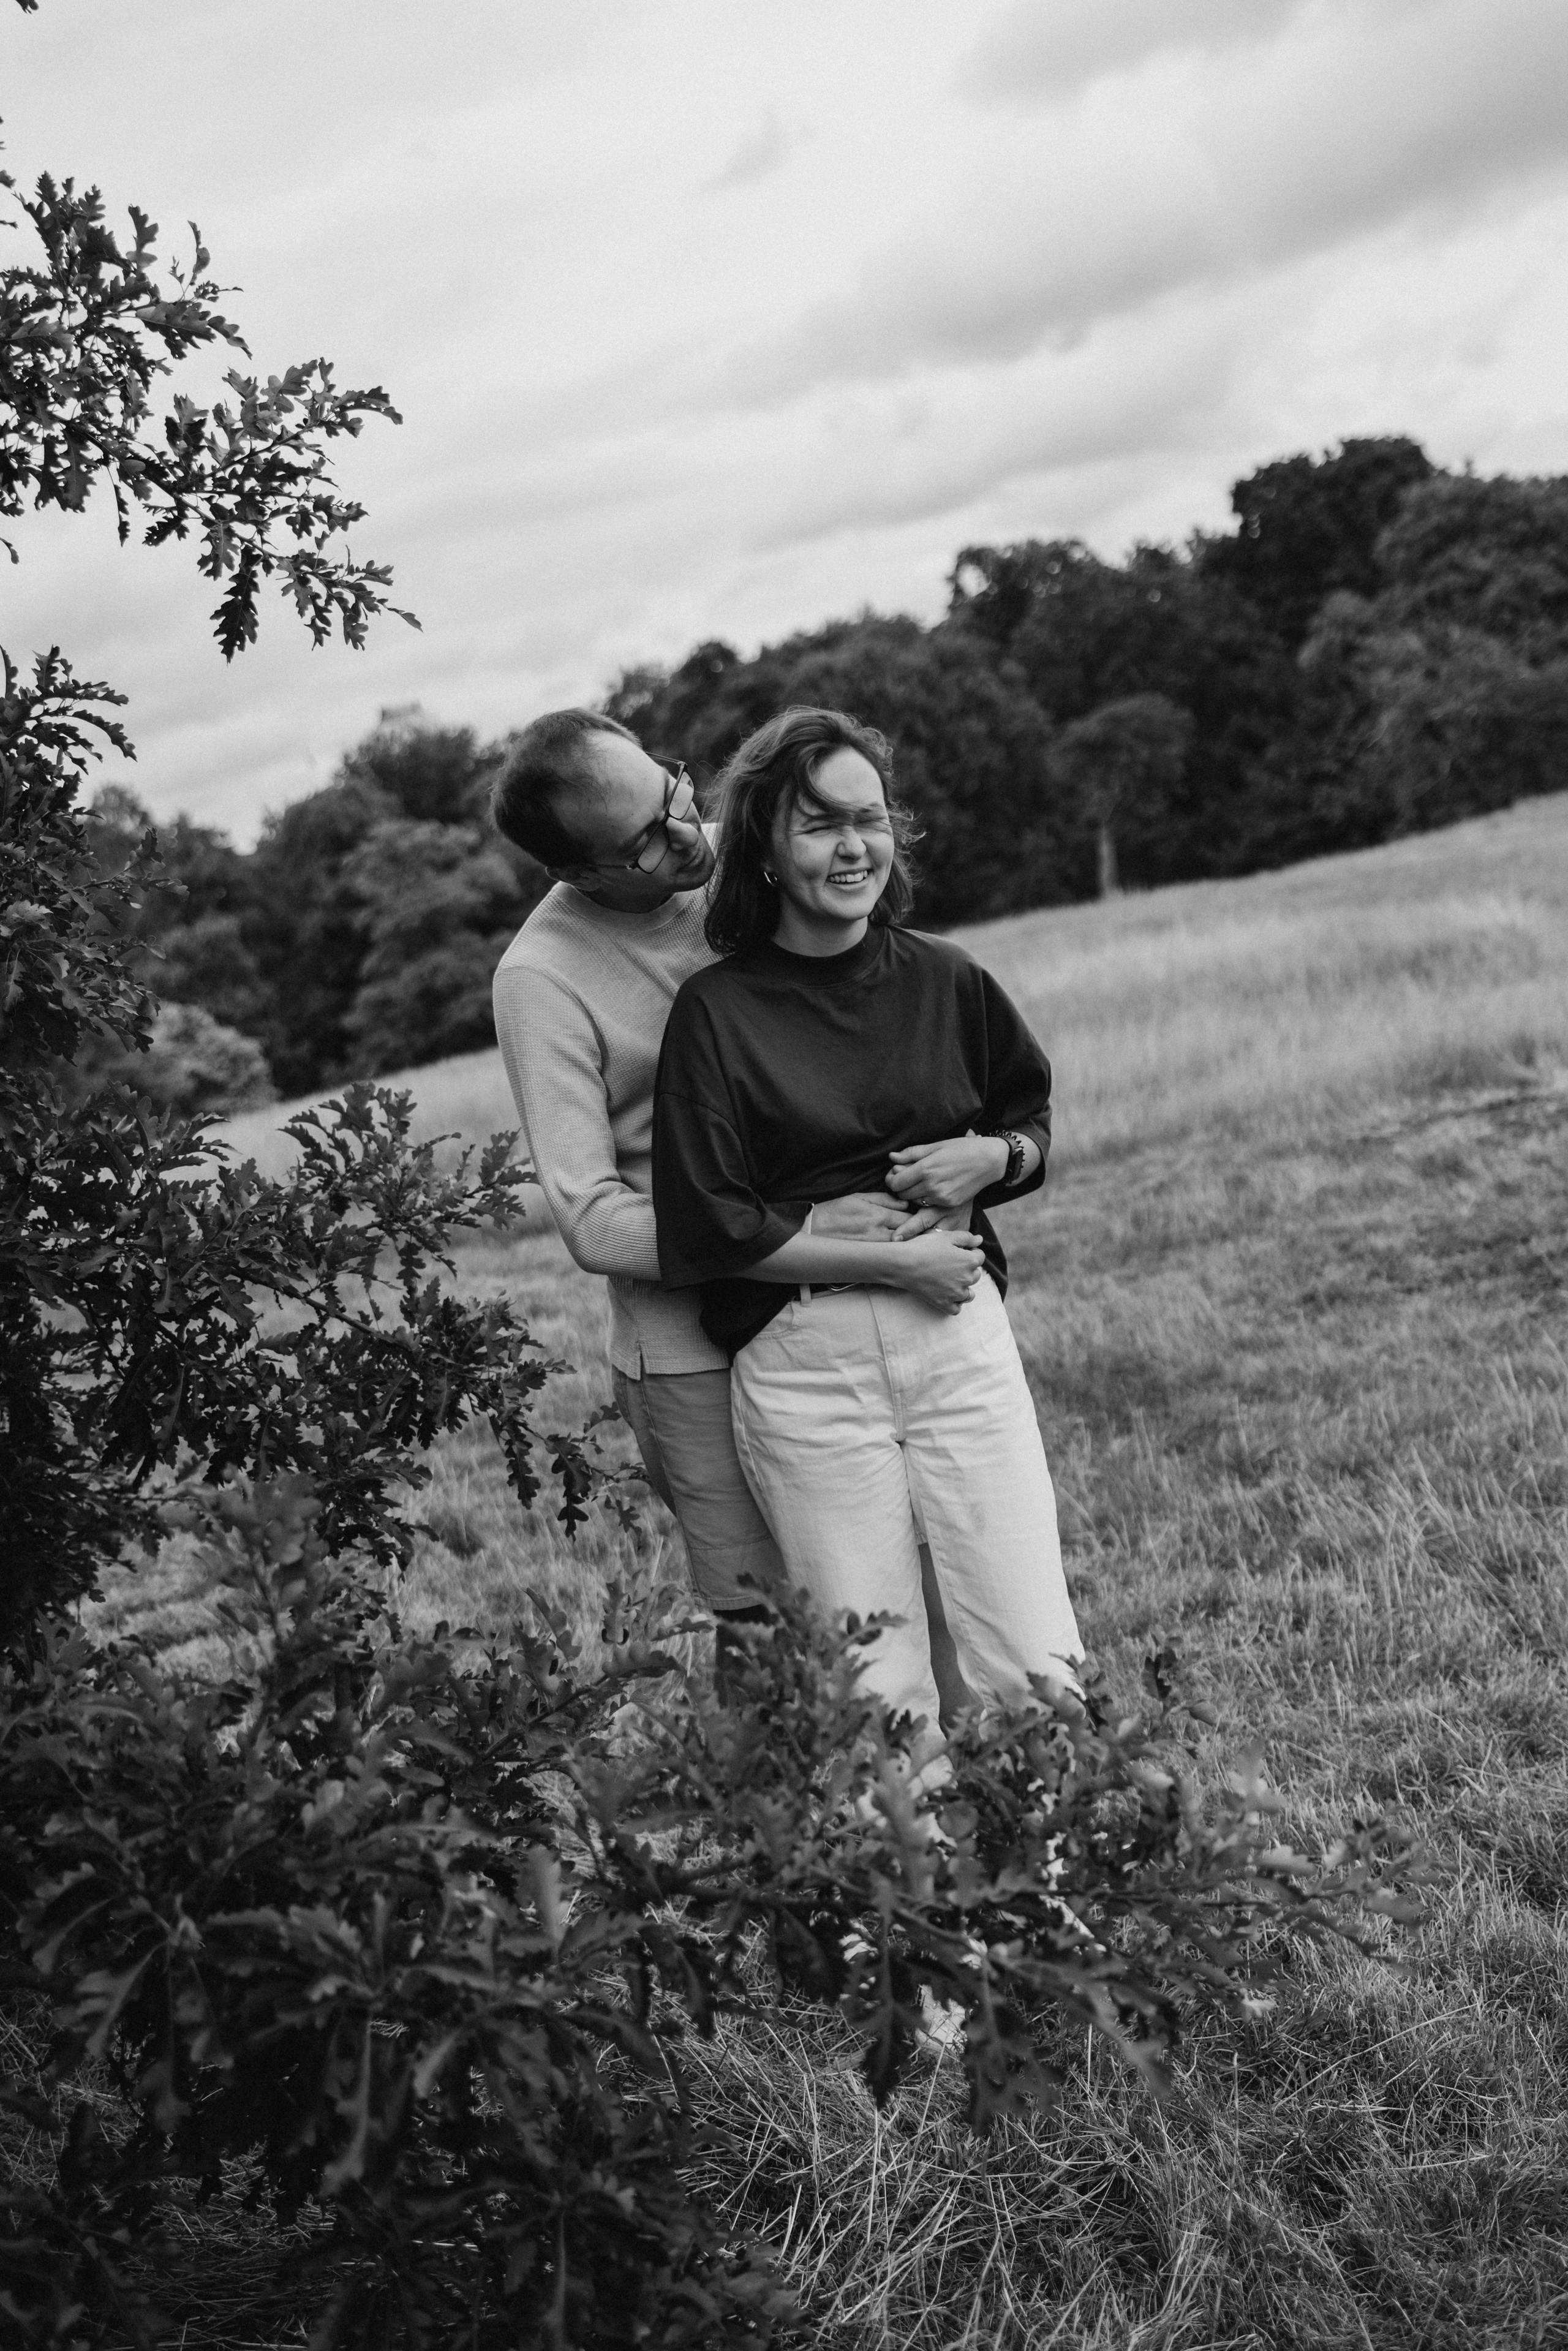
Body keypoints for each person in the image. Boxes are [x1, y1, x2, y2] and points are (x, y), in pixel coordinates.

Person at [651, 704, 1082, 1738]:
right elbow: (710, 1226)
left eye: (872, 818)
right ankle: (906, 1899)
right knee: (875, 1678)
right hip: (809, 1370)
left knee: (1035, 1650)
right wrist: (890, 1264)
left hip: (959, 1348)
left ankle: (1059, 1894)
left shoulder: (946, 977)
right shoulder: (718, 1013)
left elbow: (1029, 1119)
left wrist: (996, 1156)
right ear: (760, 846)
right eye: (819, 825)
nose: (855, 847)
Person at [489, 708, 941, 1628]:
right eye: (646, 843)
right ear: (576, 872)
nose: (687, 836)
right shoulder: (540, 977)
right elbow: (592, 1219)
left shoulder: (741, 859)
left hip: (850, 1301)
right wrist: (795, 1237)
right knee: (772, 1620)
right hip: (697, 1350)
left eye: (674, 794)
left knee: (911, 1569)